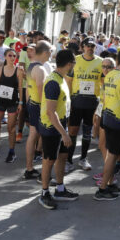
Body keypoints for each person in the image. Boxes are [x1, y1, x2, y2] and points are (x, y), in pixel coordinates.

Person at [37, 49, 79, 209]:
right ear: (69, 64)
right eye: (74, 63)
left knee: (61, 157)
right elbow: (50, 111)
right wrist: (64, 134)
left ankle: (60, 189)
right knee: (48, 161)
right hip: (51, 129)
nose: (74, 66)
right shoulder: (53, 82)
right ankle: (44, 193)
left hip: (60, 127)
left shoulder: (61, 78)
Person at [95, 49, 120, 200]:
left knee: (111, 154)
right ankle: (102, 189)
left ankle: (110, 183)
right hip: (118, 121)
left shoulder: (110, 75)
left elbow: (105, 98)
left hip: (107, 117)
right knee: (112, 156)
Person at [67, 37, 102, 172]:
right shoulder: (75, 60)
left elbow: (103, 83)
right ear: (82, 47)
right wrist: (69, 100)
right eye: (87, 45)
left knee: (88, 132)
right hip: (76, 100)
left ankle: (83, 158)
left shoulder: (100, 62)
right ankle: (69, 160)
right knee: (73, 131)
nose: (90, 48)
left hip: (92, 101)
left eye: (93, 46)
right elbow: (69, 81)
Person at [23, 41, 53, 180]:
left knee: (33, 135)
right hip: (38, 105)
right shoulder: (40, 69)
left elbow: (30, 89)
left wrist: (28, 103)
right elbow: (42, 93)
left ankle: (30, 168)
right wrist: (47, 111)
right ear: (46, 52)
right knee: (38, 136)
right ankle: (34, 169)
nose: (51, 55)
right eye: (50, 52)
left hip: (33, 104)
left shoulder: (32, 66)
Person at [0, 49, 24, 163]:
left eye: (14, 56)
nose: (12, 57)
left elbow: (20, 88)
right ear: (5, 57)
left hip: (12, 102)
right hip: (0, 101)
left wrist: (20, 102)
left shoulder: (18, 71)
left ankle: (11, 152)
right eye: (10, 55)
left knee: (11, 128)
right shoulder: (0, 69)